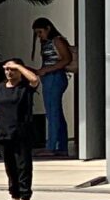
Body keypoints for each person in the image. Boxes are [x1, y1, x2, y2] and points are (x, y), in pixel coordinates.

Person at [0, 58, 43, 200]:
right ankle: (14, 196)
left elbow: (35, 79)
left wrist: (18, 66)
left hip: (22, 132)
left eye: (12, 69)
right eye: (7, 69)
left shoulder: (25, 87)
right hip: (4, 132)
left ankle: (25, 199)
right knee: (10, 167)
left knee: (23, 166)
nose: (9, 72)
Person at [30, 18, 77, 156]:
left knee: (53, 112)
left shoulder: (57, 40)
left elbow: (66, 59)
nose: (39, 35)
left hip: (55, 76)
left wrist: (47, 69)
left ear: (48, 28)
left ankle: (52, 145)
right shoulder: (47, 42)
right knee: (55, 111)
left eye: (40, 32)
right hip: (50, 77)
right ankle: (60, 145)